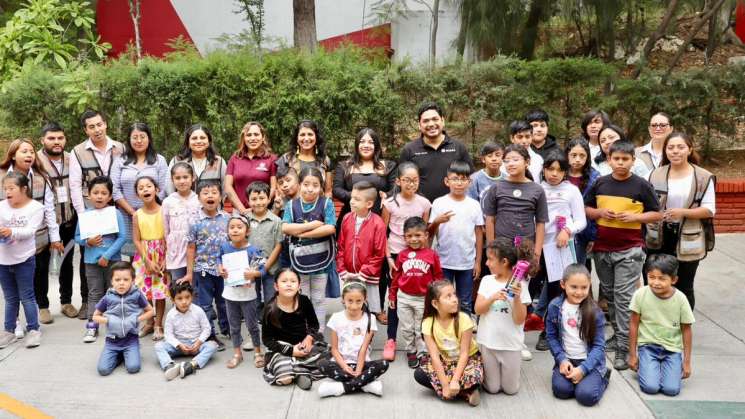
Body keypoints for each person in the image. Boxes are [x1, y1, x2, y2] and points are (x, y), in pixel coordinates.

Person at [585, 140, 662, 370]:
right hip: (602, 249)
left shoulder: (641, 185)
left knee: (623, 297)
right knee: (609, 294)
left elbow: (657, 214)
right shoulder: (599, 183)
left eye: (625, 159)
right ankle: (619, 336)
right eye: (616, 159)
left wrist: (636, 218)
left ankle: (624, 348)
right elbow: (586, 209)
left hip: (629, 250)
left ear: (632, 161)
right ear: (609, 160)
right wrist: (599, 212)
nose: (620, 163)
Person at [484, 144, 548, 361]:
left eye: (515, 160)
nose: (510, 164)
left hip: (524, 254)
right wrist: (491, 250)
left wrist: (536, 253)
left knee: (520, 295)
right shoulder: (497, 188)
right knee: (500, 294)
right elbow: (490, 219)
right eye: (507, 160)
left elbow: (540, 223)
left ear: (527, 162)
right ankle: (495, 338)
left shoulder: (537, 190)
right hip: (502, 252)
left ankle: (518, 342)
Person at [645, 132, 715, 309]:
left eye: (680, 147)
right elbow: (645, 204)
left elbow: (709, 210)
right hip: (658, 235)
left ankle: (683, 327)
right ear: (665, 151)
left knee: (684, 285)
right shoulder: (655, 174)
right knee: (655, 282)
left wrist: (682, 212)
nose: (675, 151)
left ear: (689, 149)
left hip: (688, 236)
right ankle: (655, 322)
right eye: (670, 147)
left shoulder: (703, 177)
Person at [69, 109, 124, 319]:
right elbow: (75, 185)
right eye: (91, 126)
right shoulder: (78, 151)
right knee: (91, 259)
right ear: (86, 129)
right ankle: (88, 303)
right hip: (90, 212)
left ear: (105, 124)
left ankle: (115, 312)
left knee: (115, 260)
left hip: (116, 208)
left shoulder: (119, 147)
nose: (97, 129)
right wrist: (86, 217)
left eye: (99, 124)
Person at [0, 139, 61, 326]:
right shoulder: (2, 176)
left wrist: (55, 238)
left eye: (32, 152)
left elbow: (49, 209)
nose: (29, 155)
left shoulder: (42, 177)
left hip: (37, 236)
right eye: (24, 151)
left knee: (39, 272)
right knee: (11, 286)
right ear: (12, 155)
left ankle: (42, 307)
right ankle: (15, 321)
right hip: (6, 240)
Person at [534, 151, 587, 351]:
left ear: (565, 172)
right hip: (538, 246)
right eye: (550, 169)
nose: (554, 174)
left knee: (557, 290)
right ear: (544, 169)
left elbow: (581, 220)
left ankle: (550, 332)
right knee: (531, 287)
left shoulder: (571, 190)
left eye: (559, 170)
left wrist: (567, 230)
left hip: (560, 247)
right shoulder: (537, 188)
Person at [380, 162, 431, 361]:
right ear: (398, 181)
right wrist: (387, 258)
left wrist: (426, 256)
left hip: (418, 257)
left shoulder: (424, 204)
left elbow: (426, 232)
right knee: (394, 297)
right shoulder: (390, 203)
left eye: (415, 180)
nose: (411, 184)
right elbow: (382, 232)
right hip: (394, 255)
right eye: (407, 180)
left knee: (417, 298)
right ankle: (391, 339)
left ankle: (421, 341)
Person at [36, 123, 85, 319]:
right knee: (42, 264)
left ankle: (66, 302)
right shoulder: (36, 160)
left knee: (66, 262)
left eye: (60, 138)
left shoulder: (72, 158)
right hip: (45, 223)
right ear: (43, 140)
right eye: (51, 138)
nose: (56, 142)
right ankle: (43, 306)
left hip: (69, 220)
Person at [474, 238, 533, 395]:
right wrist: (492, 298)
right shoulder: (487, 281)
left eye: (490, 259)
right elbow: (478, 310)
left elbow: (519, 320)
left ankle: (509, 372)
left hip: (511, 345)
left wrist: (518, 298)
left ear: (504, 261)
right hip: (488, 343)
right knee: (492, 389)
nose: (486, 263)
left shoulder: (521, 285)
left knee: (510, 389)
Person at [628, 254, 694, 396]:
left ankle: (660, 368)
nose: (656, 282)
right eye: (651, 277)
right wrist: (633, 355)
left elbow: (687, 330)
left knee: (671, 390)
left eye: (662, 278)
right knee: (651, 387)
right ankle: (649, 367)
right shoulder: (640, 295)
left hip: (672, 350)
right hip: (648, 347)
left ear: (674, 280)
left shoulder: (681, 299)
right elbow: (633, 324)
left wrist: (687, 362)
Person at [546, 264, 609, 406]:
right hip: (567, 360)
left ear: (589, 285)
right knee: (561, 391)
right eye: (574, 287)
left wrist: (583, 369)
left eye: (584, 287)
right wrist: (561, 360)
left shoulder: (595, 311)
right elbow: (551, 337)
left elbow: (599, 346)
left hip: (589, 362)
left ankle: (603, 377)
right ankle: (580, 380)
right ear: (563, 284)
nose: (579, 292)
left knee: (586, 397)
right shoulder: (555, 306)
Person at [281, 167, 336, 331]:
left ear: (321, 187)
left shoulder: (326, 203)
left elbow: (330, 228)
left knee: (319, 297)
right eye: (306, 184)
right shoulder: (291, 205)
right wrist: (313, 225)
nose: (310, 188)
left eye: (315, 185)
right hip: (300, 260)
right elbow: (285, 228)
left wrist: (301, 234)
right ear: (299, 184)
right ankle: (305, 329)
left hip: (322, 260)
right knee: (303, 296)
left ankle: (318, 331)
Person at [75, 176, 128, 343]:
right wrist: (87, 241)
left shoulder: (115, 213)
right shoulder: (85, 215)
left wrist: (107, 255)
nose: (99, 196)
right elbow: (77, 237)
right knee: (94, 292)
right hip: (91, 261)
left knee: (115, 291)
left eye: (104, 193)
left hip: (112, 262)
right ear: (88, 195)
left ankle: (115, 324)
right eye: (95, 192)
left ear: (110, 196)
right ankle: (92, 325)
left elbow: (122, 237)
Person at [415, 280, 483, 406]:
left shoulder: (464, 319)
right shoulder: (428, 323)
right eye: (448, 296)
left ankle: (460, 388)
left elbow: (464, 354)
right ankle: (465, 393)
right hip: (445, 361)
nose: (455, 299)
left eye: (454, 294)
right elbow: (434, 357)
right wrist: (445, 385)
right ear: (435, 303)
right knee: (419, 374)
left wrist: (455, 380)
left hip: (467, 360)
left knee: (474, 375)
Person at [428, 161, 484, 314]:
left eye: (463, 179)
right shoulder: (439, 203)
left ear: (469, 182)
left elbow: (479, 233)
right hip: (444, 261)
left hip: (466, 261)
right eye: (455, 178)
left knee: (465, 300)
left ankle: (463, 330)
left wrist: (478, 261)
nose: (459, 183)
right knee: (443, 296)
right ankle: (443, 327)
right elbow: (430, 232)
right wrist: (437, 221)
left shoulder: (474, 205)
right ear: (447, 181)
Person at [388, 216, 443, 369]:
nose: (413, 239)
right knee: (406, 327)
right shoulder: (402, 255)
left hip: (423, 299)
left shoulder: (432, 255)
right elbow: (396, 277)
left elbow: (438, 277)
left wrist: (438, 296)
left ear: (426, 235)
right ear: (404, 237)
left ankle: (422, 352)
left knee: (421, 328)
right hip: (404, 297)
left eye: (418, 235)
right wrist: (392, 295)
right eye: (409, 236)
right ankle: (410, 351)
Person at [317, 282, 389, 397]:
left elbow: (363, 349)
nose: (354, 306)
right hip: (341, 364)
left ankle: (342, 387)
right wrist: (345, 367)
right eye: (350, 301)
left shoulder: (371, 318)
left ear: (365, 300)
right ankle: (365, 384)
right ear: (343, 300)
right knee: (322, 364)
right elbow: (334, 350)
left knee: (384, 364)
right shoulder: (336, 318)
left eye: (358, 301)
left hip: (362, 363)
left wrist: (359, 370)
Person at [0, 172, 46, 349]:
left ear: (24, 188)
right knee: (10, 298)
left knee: (27, 296)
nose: (7, 192)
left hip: (24, 259)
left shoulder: (36, 208)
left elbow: (30, 231)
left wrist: (11, 232)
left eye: (11, 188)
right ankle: (8, 331)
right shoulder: (2, 206)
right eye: (5, 189)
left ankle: (34, 329)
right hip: (3, 260)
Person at [183, 179, 230, 350]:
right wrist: (189, 273)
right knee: (205, 304)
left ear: (221, 196)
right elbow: (190, 248)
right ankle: (210, 335)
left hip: (223, 271)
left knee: (224, 301)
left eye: (214, 193)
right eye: (205, 193)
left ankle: (227, 328)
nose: (210, 196)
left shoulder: (227, 218)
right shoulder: (194, 221)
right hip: (202, 270)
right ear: (199, 198)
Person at [110, 122, 168, 257]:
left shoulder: (159, 160)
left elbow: (164, 189)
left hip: (154, 216)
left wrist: (150, 211)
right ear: (129, 140)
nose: (139, 140)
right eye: (135, 137)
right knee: (130, 259)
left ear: (149, 138)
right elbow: (114, 189)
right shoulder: (120, 161)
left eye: (142, 136)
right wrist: (133, 213)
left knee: (154, 255)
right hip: (127, 216)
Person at [262, 268, 324, 390]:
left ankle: (297, 369)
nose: (289, 284)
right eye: (284, 281)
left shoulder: (304, 300)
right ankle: (299, 373)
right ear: (276, 286)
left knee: (329, 360)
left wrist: (309, 338)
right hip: (281, 348)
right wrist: (290, 351)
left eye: (293, 281)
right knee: (285, 379)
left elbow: (314, 325)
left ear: (299, 285)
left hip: (302, 345)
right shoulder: (269, 309)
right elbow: (267, 340)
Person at [399, 102, 474, 202]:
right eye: (426, 121)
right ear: (419, 125)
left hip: (453, 208)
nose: (431, 124)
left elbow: (471, 178)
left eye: (435, 119)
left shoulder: (458, 147)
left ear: (443, 121)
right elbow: (400, 180)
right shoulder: (410, 149)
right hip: (420, 209)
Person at [218, 214, 266, 368]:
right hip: (230, 294)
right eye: (232, 227)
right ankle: (237, 353)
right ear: (227, 231)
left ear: (247, 231)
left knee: (252, 325)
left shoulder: (253, 250)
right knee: (234, 326)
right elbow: (219, 260)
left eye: (239, 227)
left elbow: (262, 269)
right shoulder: (225, 247)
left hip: (248, 295)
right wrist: (221, 269)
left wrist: (255, 274)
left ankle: (258, 352)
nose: (235, 230)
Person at [93, 261, 154, 376]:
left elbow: (151, 311)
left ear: (133, 280)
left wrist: (137, 319)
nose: (122, 283)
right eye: (117, 280)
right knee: (103, 370)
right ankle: (119, 356)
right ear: (111, 281)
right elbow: (95, 316)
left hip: (130, 340)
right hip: (112, 341)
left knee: (133, 368)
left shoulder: (137, 294)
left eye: (126, 280)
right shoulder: (108, 297)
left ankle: (128, 353)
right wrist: (109, 321)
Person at [336, 181, 387, 316]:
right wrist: (342, 270)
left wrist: (363, 274)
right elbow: (340, 247)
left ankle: (366, 337)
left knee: (367, 311)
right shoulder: (346, 218)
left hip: (367, 278)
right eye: (352, 197)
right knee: (350, 310)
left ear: (369, 204)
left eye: (357, 199)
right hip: (348, 275)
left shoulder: (378, 224)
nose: (352, 202)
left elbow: (379, 254)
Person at [332, 128, 396, 231]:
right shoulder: (344, 166)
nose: (366, 145)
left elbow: (396, 188)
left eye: (371, 142)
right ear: (357, 145)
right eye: (362, 142)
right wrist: (357, 197)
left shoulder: (388, 166)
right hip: (350, 219)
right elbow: (336, 190)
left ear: (376, 146)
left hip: (380, 219)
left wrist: (387, 195)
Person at [155, 282, 218, 380]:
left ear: (192, 297)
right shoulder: (171, 315)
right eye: (179, 298)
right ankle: (169, 366)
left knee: (213, 345)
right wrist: (179, 345)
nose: (184, 301)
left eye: (187, 297)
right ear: (173, 300)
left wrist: (199, 342)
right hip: (179, 346)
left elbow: (207, 328)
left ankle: (191, 365)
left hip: (196, 345)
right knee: (159, 346)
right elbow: (168, 334)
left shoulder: (198, 311)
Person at [131, 176, 168, 340]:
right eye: (141, 188)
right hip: (144, 256)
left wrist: (166, 259)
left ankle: (159, 324)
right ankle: (149, 322)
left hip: (162, 254)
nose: (145, 189)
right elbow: (136, 239)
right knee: (145, 292)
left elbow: (169, 236)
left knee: (160, 292)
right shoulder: (137, 215)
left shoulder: (164, 210)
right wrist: (147, 260)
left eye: (149, 186)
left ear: (157, 189)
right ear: (137, 194)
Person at [224, 122, 277, 216]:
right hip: (239, 213)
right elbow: (228, 187)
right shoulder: (235, 158)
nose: (253, 138)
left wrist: (261, 206)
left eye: (256, 134)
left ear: (263, 137)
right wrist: (242, 210)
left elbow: (274, 187)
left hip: (264, 212)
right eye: (248, 135)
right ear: (244, 138)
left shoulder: (271, 159)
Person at [245, 181, 283, 307]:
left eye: (262, 198)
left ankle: (269, 322)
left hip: (270, 267)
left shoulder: (276, 221)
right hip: (250, 267)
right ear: (248, 201)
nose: (258, 202)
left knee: (271, 299)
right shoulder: (245, 219)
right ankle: (254, 323)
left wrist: (266, 267)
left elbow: (279, 245)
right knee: (252, 298)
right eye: (254, 199)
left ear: (268, 199)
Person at [162, 163, 201, 284]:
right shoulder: (168, 202)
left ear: (193, 177)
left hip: (197, 252)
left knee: (195, 289)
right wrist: (166, 255)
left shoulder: (199, 199)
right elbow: (165, 231)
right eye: (177, 178)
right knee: (178, 287)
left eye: (185, 177)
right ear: (172, 180)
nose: (182, 181)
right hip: (176, 252)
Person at [564, 138, 600, 267]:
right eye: (573, 155)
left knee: (576, 270)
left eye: (582, 155)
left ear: (587, 157)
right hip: (559, 231)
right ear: (566, 156)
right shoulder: (558, 174)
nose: (577, 159)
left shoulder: (595, 178)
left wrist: (592, 237)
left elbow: (596, 207)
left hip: (583, 234)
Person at [275, 120, 333, 197]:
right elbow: (279, 187)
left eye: (310, 134)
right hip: (291, 206)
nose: (306, 138)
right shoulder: (287, 159)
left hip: (318, 206)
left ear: (316, 137)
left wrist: (326, 207)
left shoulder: (325, 160)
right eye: (302, 135)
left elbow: (328, 191)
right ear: (297, 138)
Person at [166, 124, 227, 194]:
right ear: (188, 142)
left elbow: (225, 188)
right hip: (181, 204)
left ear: (209, 141)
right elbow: (169, 187)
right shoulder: (177, 161)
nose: (198, 141)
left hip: (211, 204)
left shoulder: (219, 162)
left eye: (202, 138)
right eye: (194, 138)